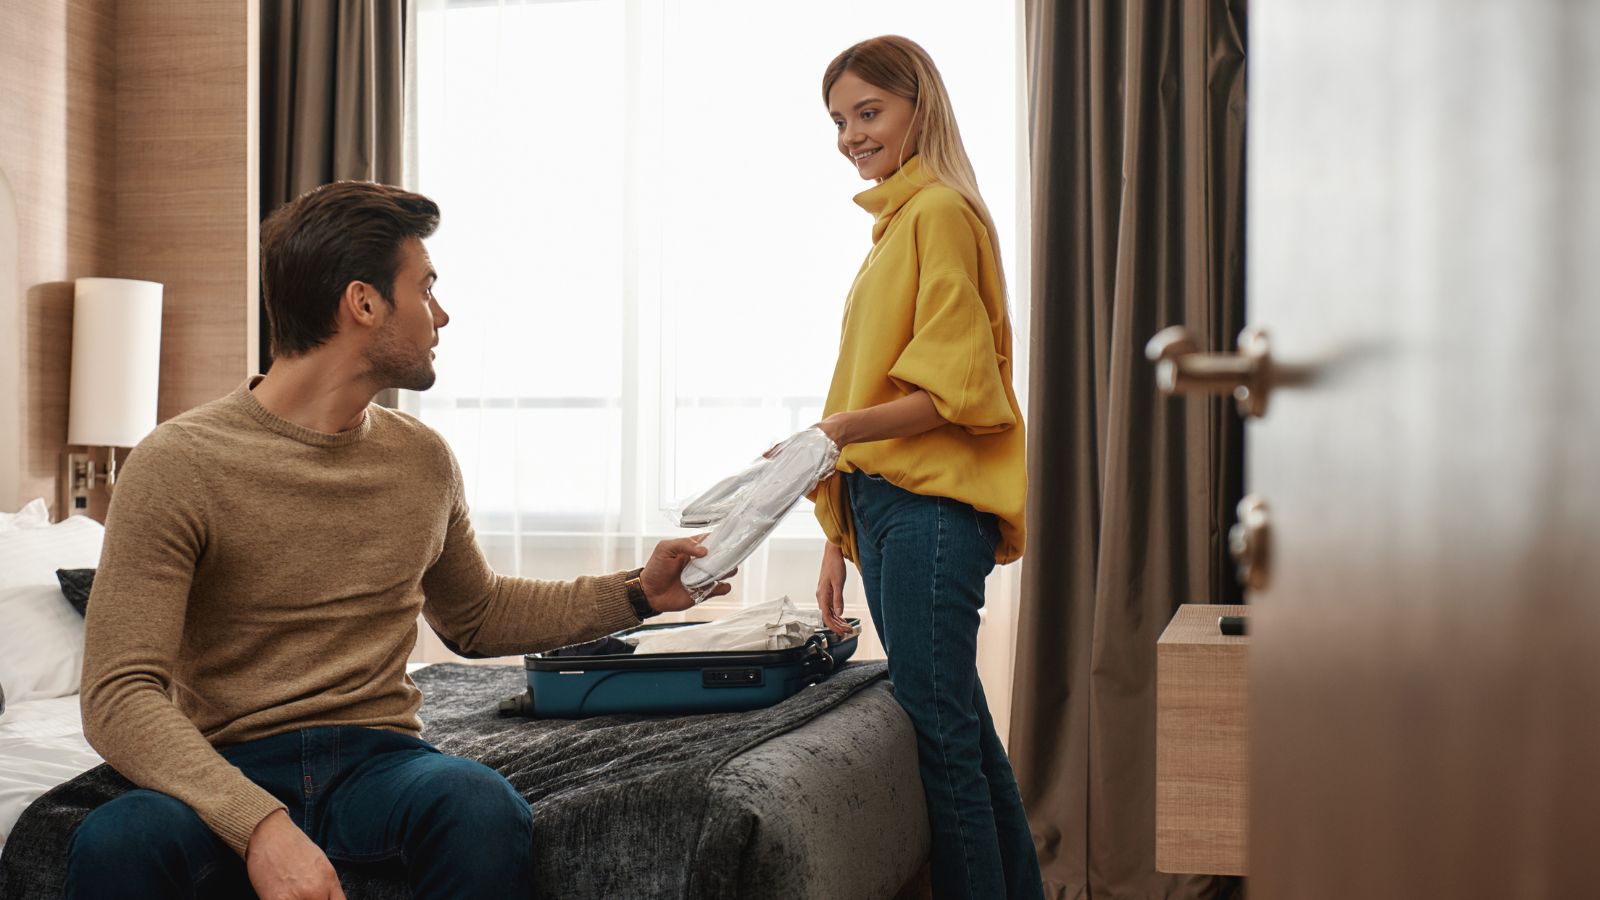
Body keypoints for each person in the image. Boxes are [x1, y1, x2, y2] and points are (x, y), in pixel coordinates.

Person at [67, 181, 728, 900]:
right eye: (427, 288)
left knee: (477, 805)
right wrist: (257, 826)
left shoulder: (422, 457)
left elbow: (478, 616)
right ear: (364, 302)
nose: (442, 315)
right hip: (228, 762)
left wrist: (638, 594)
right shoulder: (178, 463)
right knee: (118, 839)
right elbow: (118, 693)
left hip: (379, 764)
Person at [808, 35, 1044, 899]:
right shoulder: (896, 227)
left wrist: (836, 432)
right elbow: (867, 386)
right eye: (839, 121)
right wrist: (838, 534)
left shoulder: (939, 212)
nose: (851, 136)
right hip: (887, 510)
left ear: (921, 107)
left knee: (941, 741)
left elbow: (956, 389)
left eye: (868, 112)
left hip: (928, 514)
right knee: (959, 730)